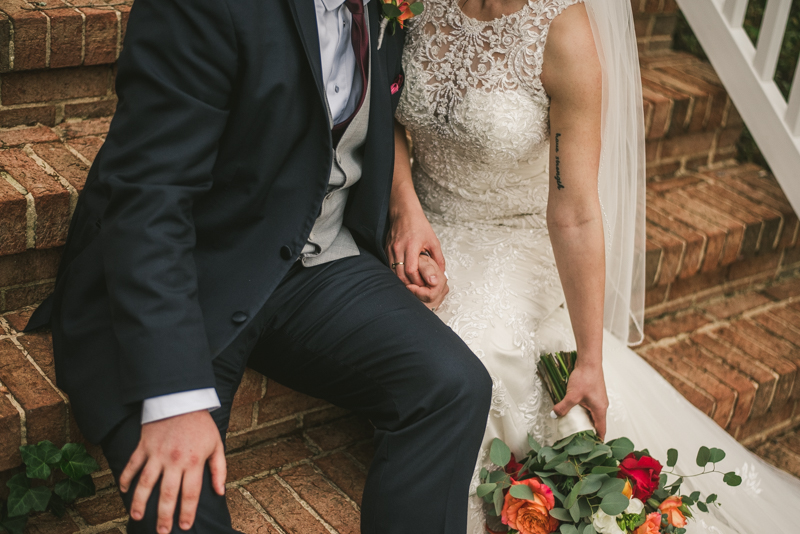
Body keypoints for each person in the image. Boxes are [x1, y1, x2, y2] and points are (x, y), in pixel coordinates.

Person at [24, 0, 494, 533]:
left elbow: (369, 110)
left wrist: (403, 209)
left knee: (453, 386)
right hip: (192, 271)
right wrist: (174, 396)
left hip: (318, 256)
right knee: (183, 510)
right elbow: (149, 200)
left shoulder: (383, 8)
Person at [389, 0, 800, 532]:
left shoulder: (563, 34)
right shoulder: (409, 7)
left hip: (516, 234)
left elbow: (575, 212)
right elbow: (385, 110)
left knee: (471, 350)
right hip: (419, 222)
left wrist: (589, 359)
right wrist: (404, 207)